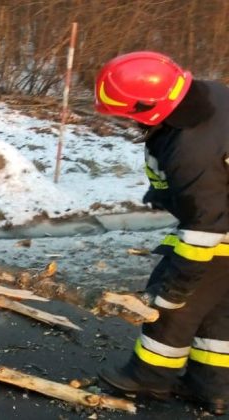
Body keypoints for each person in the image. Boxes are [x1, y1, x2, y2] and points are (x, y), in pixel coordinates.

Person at [93, 51, 229, 414]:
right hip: (219, 217)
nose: (126, 121)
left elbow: (204, 228)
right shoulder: (209, 96)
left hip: (218, 230)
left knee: (177, 308)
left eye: (127, 114)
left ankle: (151, 376)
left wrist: (173, 289)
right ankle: (211, 387)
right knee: (216, 309)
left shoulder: (192, 150)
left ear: (149, 107)